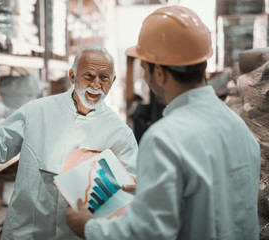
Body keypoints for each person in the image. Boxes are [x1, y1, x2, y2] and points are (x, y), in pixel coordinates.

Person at [66, 6, 261, 240]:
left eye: (144, 67)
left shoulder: (164, 139)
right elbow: (218, 200)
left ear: (158, 72)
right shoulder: (238, 127)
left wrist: (87, 227)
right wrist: (155, 188)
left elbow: (147, 234)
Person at [0, 45, 138, 239]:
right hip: (27, 231)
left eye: (104, 78)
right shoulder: (37, 110)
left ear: (113, 81)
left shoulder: (120, 133)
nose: (96, 85)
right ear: (72, 76)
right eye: (89, 75)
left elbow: (130, 191)